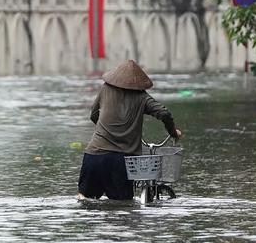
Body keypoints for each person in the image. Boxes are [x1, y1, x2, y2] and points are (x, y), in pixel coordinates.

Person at [78, 60, 183, 200]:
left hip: (94, 156)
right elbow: (164, 113)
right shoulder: (142, 97)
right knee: (122, 210)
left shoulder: (105, 89)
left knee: (85, 200)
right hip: (121, 161)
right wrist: (173, 132)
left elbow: (93, 115)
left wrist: (106, 131)